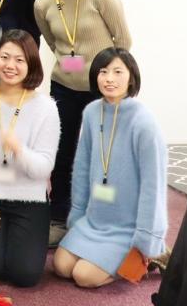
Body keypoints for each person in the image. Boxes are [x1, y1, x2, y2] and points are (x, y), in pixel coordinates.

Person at [34, 0, 132, 244]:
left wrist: (108, 77)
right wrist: (73, 63)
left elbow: (123, 43)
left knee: (100, 155)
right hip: (64, 88)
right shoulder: (43, 2)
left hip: (102, 90)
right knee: (62, 155)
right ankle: (59, 218)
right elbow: (54, 44)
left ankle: (100, 218)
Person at [55, 48, 168, 289]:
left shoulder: (144, 121)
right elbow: (82, 168)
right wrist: (77, 215)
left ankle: (148, 258)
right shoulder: (91, 112)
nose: (109, 78)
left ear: (131, 77)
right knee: (62, 267)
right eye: (103, 72)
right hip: (95, 219)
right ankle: (101, 253)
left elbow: (153, 186)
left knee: (84, 276)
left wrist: (147, 236)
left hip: (127, 226)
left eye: (118, 72)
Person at [0, 30, 59, 287]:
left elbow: (43, 168)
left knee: (25, 275)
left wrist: (19, 150)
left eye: (19, 60)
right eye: (4, 57)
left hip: (29, 199)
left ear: (31, 64)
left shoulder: (46, 108)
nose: (10, 65)